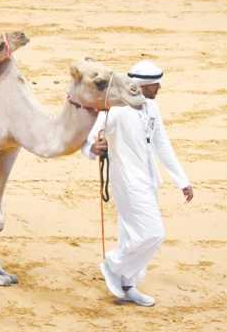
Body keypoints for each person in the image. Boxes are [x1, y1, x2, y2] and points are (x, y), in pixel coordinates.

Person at [81, 60, 194, 307]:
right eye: (155, 85)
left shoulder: (152, 107)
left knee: (132, 233)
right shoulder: (117, 109)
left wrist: (181, 180)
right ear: (142, 86)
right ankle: (114, 263)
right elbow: (90, 140)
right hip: (127, 182)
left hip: (149, 179)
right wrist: (92, 149)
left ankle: (128, 285)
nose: (159, 88)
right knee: (154, 233)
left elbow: (162, 145)